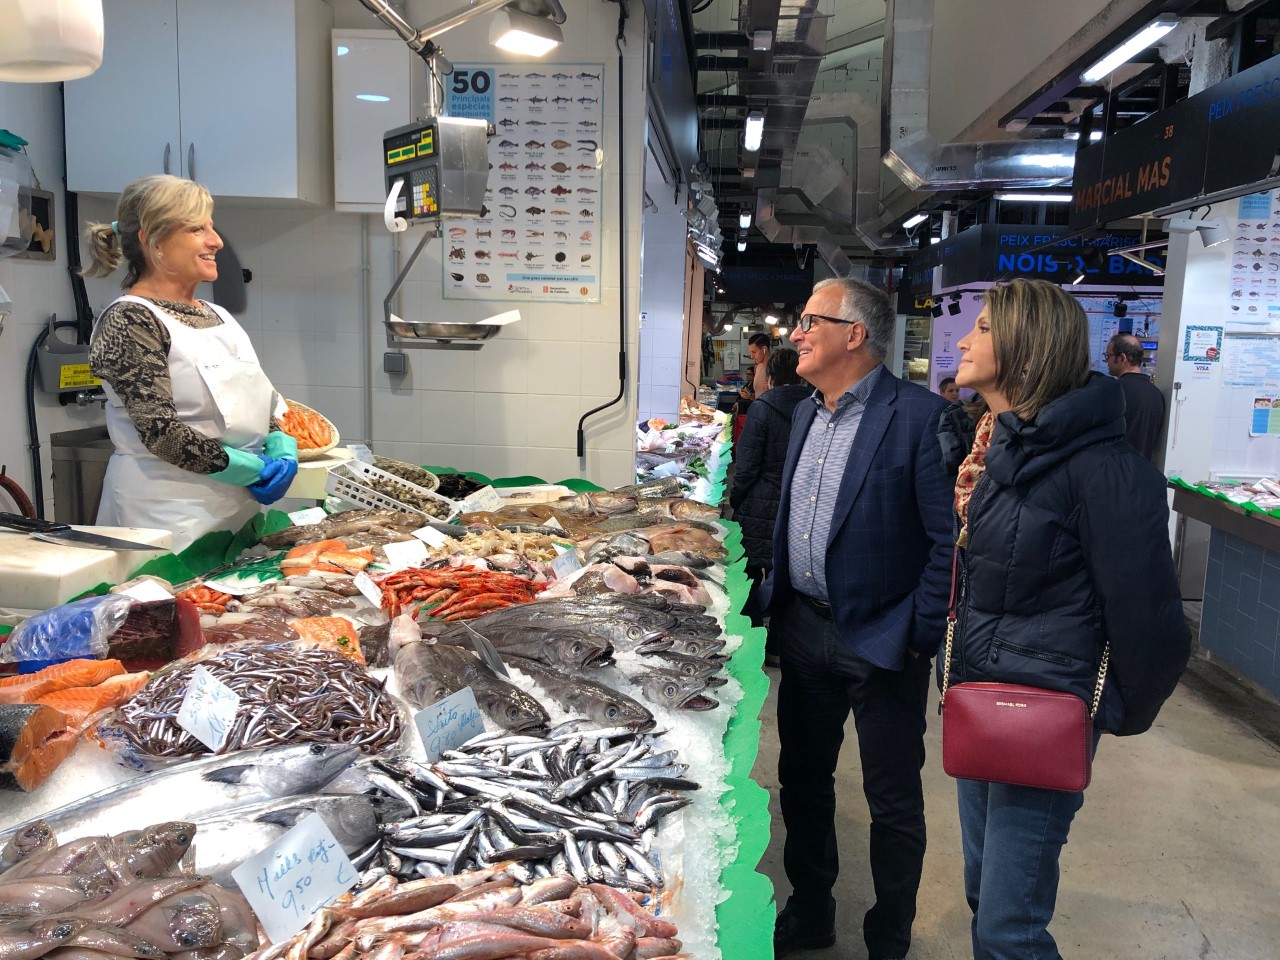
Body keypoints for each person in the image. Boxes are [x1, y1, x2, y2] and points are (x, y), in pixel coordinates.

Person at [941, 279, 1190, 960]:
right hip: (981, 705)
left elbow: (1154, 623)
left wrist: (1100, 714)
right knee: (981, 890)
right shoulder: (999, 456)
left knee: (1008, 929)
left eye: (984, 328)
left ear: (1027, 347)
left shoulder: (1106, 471)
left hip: (1046, 719)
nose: (964, 340)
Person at [766, 278, 953, 959]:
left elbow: (946, 542)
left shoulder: (920, 416)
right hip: (806, 628)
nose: (796, 333)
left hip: (883, 638)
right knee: (804, 781)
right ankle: (811, 910)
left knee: (892, 800)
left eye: (810, 320)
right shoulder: (807, 413)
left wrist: (917, 635)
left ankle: (888, 937)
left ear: (855, 334)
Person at [84, 174, 298, 552]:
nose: (216, 240)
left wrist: (279, 442)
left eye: (211, 227)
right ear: (154, 241)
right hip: (164, 516)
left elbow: (250, 398)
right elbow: (161, 433)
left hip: (233, 511)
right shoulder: (131, 319)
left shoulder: (217, 314)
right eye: (198, 229)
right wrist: (252, 468)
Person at [728, 348, 810, 666]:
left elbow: (746, 465)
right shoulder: (815, 406)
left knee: (749, 575)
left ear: (771, 377)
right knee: (786, 576)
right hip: (799, 505)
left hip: (759, 502)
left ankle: (752, 646)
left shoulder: (762, 407)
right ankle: (776, 647)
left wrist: (738, 500)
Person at [1104, 332, 1165, 461]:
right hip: (1142, 470)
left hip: (1115, 470)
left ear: (1122, 358)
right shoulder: (1156, 394)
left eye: (1108, 356)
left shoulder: (1114, 390)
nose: (1106, 362)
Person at [737, 332, 772, 404]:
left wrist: (771, 391)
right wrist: (750, 395)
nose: (752, 356)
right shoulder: (758, 367)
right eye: (751, 352)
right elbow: (758, 396)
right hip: (758, 409)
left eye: (754, 352)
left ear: (764, 349)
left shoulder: (775, 368)